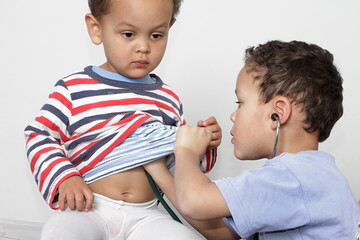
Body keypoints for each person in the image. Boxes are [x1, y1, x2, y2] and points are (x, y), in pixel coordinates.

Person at [24, 0, 221, 239]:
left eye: (157, 35)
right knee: (60, 234)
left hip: (145, 215)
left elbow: (180, 164)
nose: (144, 47)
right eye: (128, 34)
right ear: (96, 29)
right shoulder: (74, 89)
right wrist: (66, 177)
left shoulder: (168, 98)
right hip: (87, 210)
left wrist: (204, 144)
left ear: (171, 27)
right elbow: (39, 136)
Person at [169, 40, 360, 239]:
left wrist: (186, 152)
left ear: (277, 114)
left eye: (240, 102)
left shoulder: (292, 179)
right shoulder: (312, 176)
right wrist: (158, 167)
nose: (233, 116)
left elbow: (194, 201)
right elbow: (222, 232)